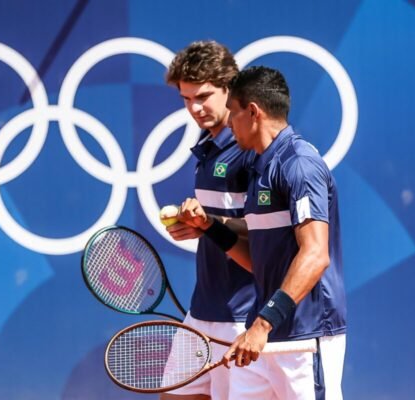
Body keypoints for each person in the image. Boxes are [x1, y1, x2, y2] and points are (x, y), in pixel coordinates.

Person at [177, 66, 347, 399]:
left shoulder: (299, 164)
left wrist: (262, 323)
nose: (229, 123)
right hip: (263, 338)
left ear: (253, 112)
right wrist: (210, 227)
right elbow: (259, 258)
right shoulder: (259, 167)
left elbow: (315, 254)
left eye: (234, 114)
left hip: (304, 337)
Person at [160, 41, 256, 400]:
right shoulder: (208, 143)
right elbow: (222, 222)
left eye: (203, 96)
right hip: (202, 311)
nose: (195, 108)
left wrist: (210, 226)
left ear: (229, 88)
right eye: (186, 99)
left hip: (242, 317)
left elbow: (270, 233)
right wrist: (200, 228)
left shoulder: (250, 149)